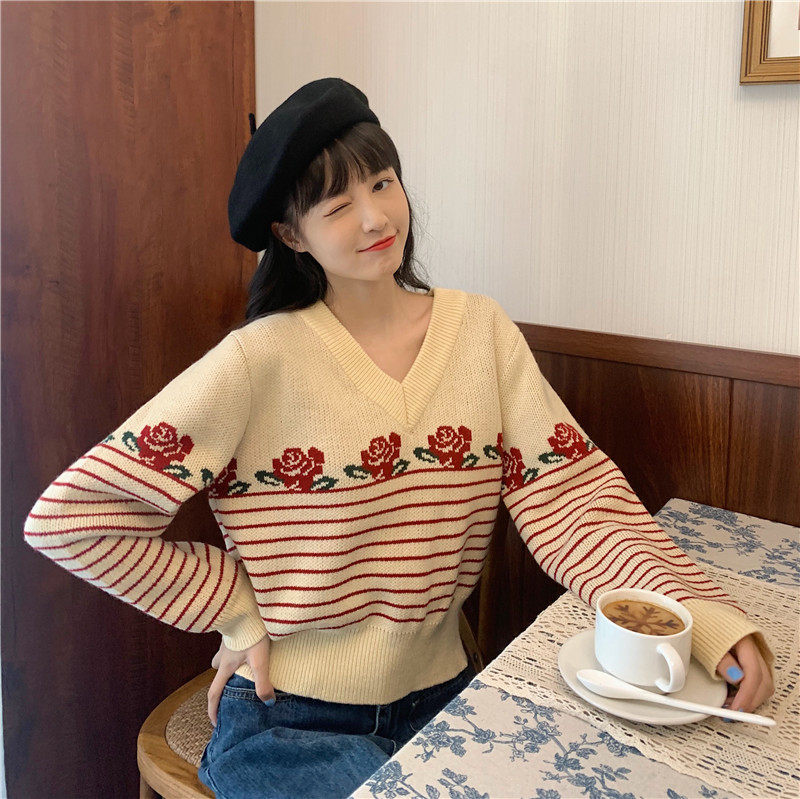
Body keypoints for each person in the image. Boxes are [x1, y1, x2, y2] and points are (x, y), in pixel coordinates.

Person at [24, 78, 775, 799]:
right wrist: (237, 609)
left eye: (383, 183)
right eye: (338, 205)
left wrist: (700, 619)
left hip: (448, 698)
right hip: (289, 721)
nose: (375, 218)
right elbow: (72, 519)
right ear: (290, 235)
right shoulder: (257, 362)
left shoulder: (480, 333)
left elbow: (574, 501)